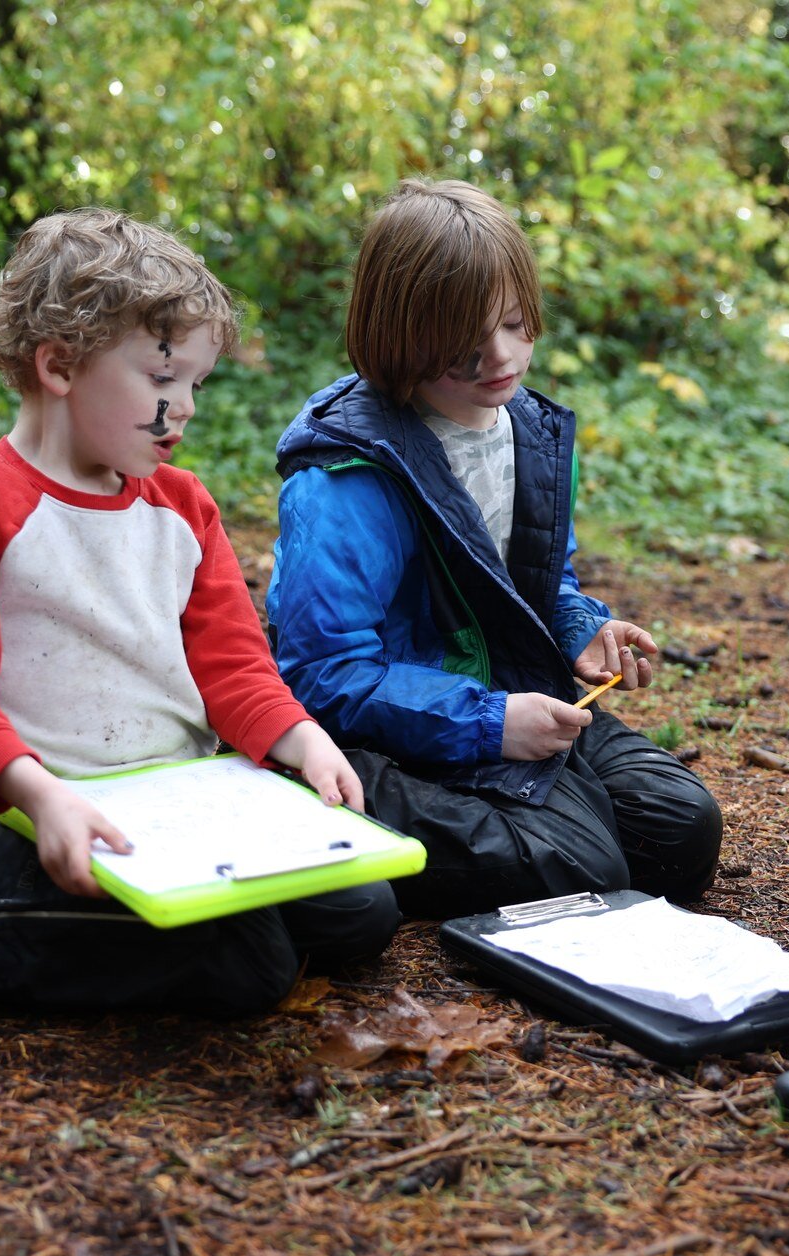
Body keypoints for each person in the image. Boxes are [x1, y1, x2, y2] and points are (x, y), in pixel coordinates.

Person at [0, 208, 399, 1014]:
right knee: (249, 967)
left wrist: (302, 739)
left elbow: (233, 666)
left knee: (362, 912)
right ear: (58, 365)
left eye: (195, 382)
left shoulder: (185, 507)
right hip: (48, 806)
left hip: (182, 801)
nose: (185, 406)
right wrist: (41, 797)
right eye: (162, 380)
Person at [265, 179, 723, 917]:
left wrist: (580, 629)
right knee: (585, 863)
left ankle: (541, 823)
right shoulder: (347, 477)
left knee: (680, 828)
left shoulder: (529, 432)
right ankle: (319, 801)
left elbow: (541, 581)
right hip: (393, 731)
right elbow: (322, 674)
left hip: (513, 690)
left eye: (515, 324)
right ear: (401, 337)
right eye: (465, 346)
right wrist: (489, 722)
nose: (502, 357)